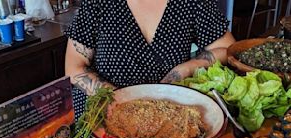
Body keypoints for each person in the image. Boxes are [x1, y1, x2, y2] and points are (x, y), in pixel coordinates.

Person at [65, 0, 236, 118]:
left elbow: (228, 49)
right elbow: (74, 67)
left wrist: (186, 68)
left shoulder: (191, 2)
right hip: (104, 115)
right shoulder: (97, 3)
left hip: (167, 113)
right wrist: (118, 97)